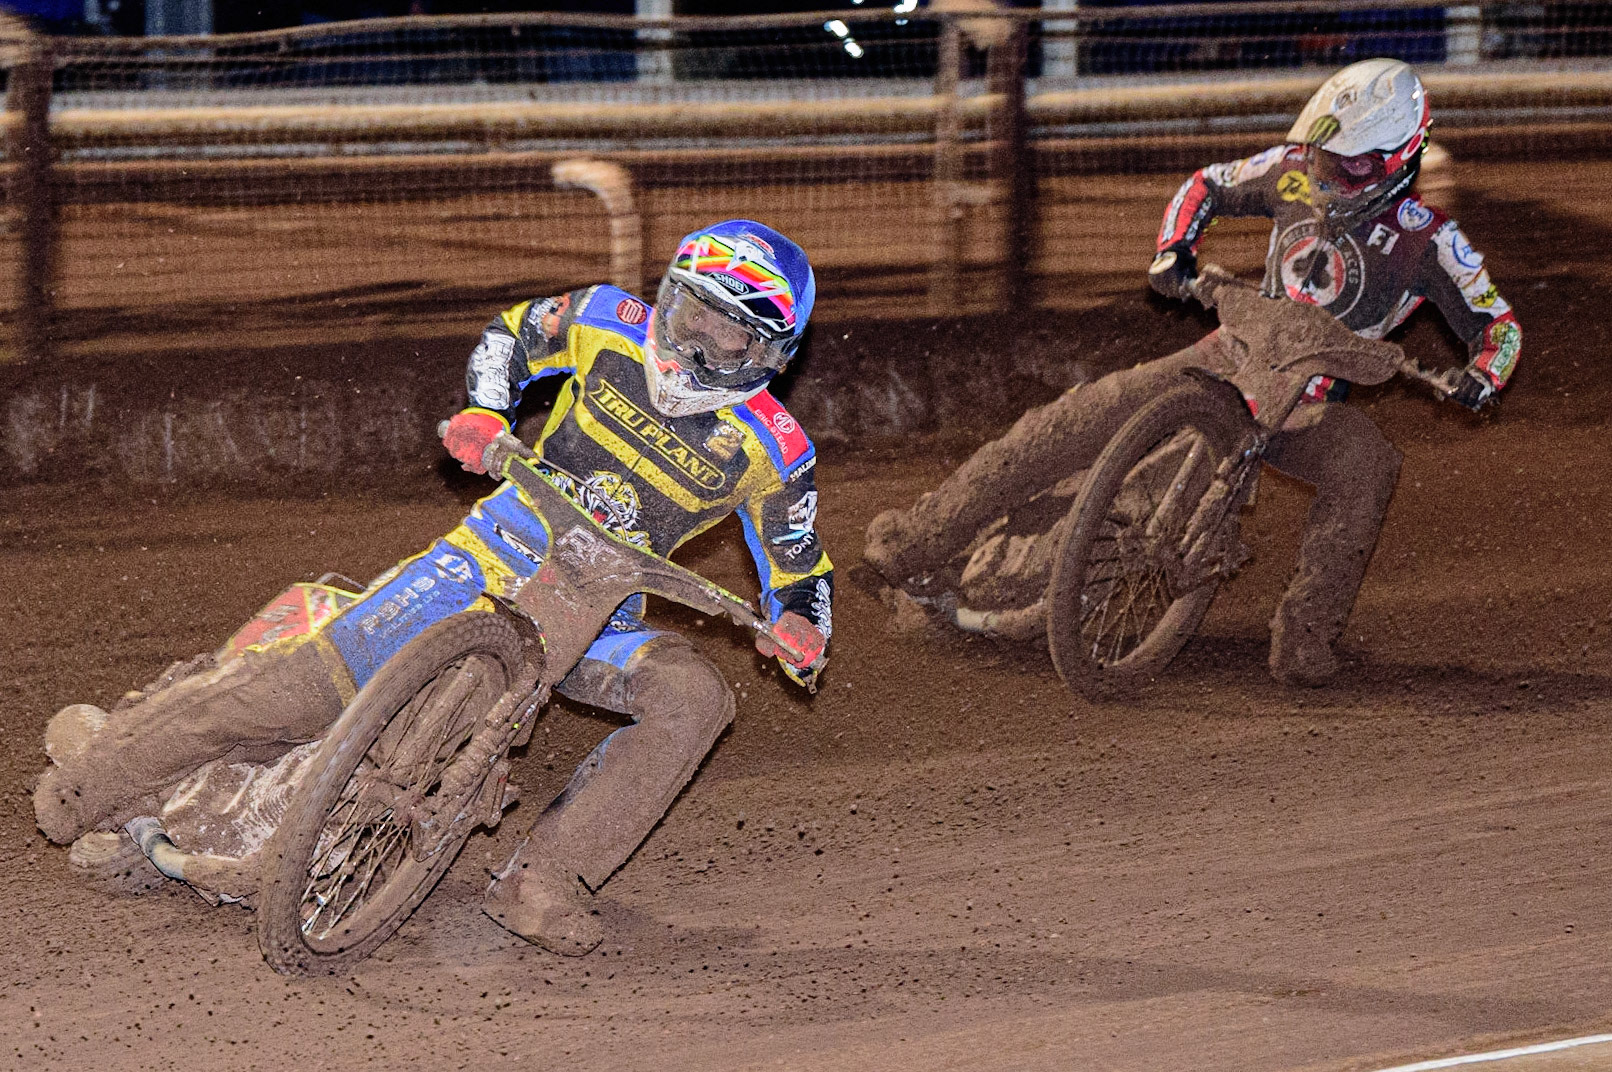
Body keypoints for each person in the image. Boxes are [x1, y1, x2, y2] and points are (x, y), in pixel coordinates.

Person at [34, 219, 833, 956]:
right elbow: (512, 336)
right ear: (667, 295)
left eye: (728, 332)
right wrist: (486, 412)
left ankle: (543, 880)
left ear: (770, 352)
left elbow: (801, 566)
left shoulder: (775, 450)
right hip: (490, 552)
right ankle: (97, 780)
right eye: (692, 311)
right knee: (301, 688)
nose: (696, 339)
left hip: (601, 611)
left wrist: (801, 625)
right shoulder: (602, 318)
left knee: (696, 697)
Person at [864, 58, 1519, 686]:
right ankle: (921, 536)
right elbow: (1205, 184)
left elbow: (1500, 326)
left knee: (1368, 463)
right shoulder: (1292, 171)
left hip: (1306, 401)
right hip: (1226, 352)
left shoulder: (1430, 240)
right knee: (1071, 418)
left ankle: (1306, 634)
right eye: (1324, 158)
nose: (1327, 175)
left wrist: (1483, 375)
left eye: (1348, 166)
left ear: (1396, 160)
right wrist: (1174, 250)